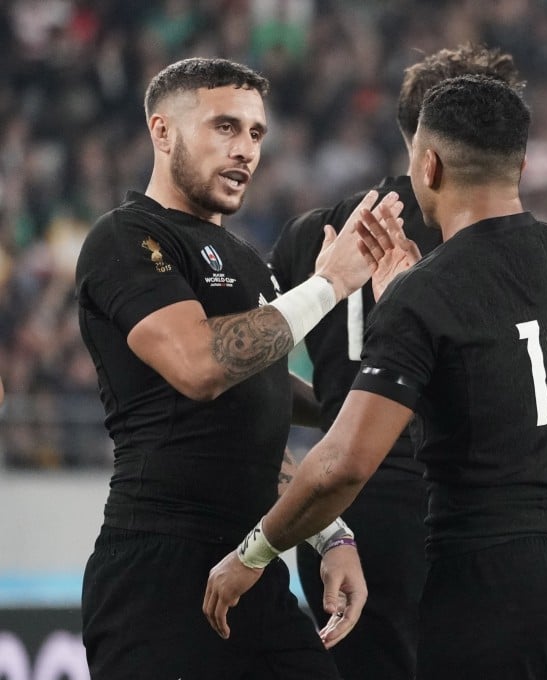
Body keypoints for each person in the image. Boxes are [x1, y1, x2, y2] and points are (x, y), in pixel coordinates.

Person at [205, 74, 547, 680]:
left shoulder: (428, 292)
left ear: (427, 166)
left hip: (493, 581)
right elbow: (500, 375)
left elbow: (343, 464)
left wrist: (254, 553)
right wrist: (411, 298)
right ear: (521, 164)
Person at [74, 57, 407, 679]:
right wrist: (329, 285)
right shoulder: (126, 237)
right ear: (162, 131)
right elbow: (200, 365)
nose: (246, 149)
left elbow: (259, 416)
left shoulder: (249, 262)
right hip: (157, 575)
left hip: (250, 567)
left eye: (256, 133)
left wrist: (331, 534)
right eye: (225, 127)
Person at [267, 43, 524, 680]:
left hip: (341, 512)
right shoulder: (494, 238)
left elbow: (258, 367)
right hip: (455, 507)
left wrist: (333, 405)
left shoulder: (311, 232)